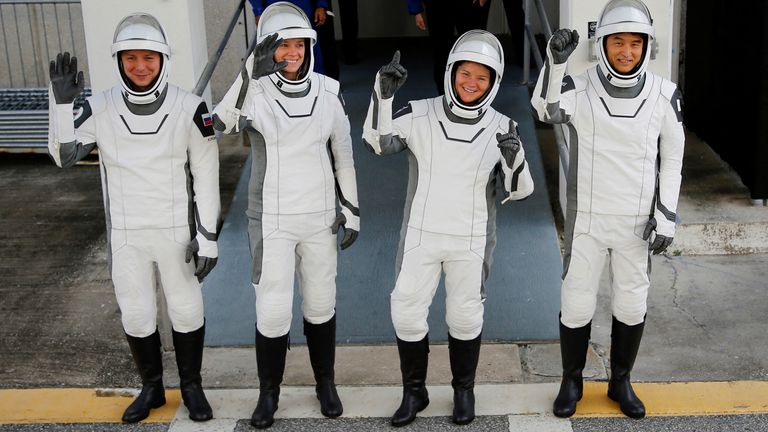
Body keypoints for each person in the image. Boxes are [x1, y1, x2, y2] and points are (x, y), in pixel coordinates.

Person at [47, 13, 220, 423]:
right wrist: (60, 105)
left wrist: (208, 236)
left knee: (186, 310)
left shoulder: (191, 108)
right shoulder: (99, 106)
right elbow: (62, 157)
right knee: (138, 313)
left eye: (148, 57)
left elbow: (207, 177)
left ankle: (192, 388)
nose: (140, 66)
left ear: (163, 59)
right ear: (119, 60)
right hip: (127, 235)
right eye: (130, 58)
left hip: (177, 231)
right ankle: (152, 388)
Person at [362, 30, 534, 426]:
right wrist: (382, 96)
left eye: (482, 77)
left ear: (493, 81)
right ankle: (414, 392)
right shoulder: (419, 112)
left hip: (471, 239)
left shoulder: (503, 125)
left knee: (465, 316)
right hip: (421, 235)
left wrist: (512, 159)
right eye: (464, 73)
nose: (471, 83)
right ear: (451, 71)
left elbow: (520, 190)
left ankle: (463, 391)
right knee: (405, 311)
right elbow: (377, 142)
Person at [530, 0, 685, 419]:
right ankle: (571, 380)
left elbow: (672, 157)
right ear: (603, 44)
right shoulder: (579, 87)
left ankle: (621, 381)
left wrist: (667, 214)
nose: (627, 51)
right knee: (577, 302)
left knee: (631, 304)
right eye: (618, 41)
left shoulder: (664, 94)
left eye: (636, 43)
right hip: (588, 222)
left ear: (647, 47)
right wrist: (554, 62)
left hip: (637, 224)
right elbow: (544, 110)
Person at [212, 2, 359, 429]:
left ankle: (325, 383)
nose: (291, 53)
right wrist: (246, 73)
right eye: (282, 47)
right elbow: (219, 123)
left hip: (319, 216)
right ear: (266, 50)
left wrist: (352, 210)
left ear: (310, 47)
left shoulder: (329, 92)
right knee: (273, 309)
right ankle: (268, 393)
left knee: (320, 302)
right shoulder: (254, 93)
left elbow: (343, 156)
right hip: (271, 219)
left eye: (299, 45)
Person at [407, 0, 492, 94]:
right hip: (437, 6)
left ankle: (474, 97)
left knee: (473, 50)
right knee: (441, 53)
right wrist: (416, 10)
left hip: (468, 4)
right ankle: (444, 97)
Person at [248, 0, 332, 77]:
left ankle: (316, 85)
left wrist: (321, 5)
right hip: (274, 11)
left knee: (309, 50)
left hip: (304, 9)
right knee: (277, 50)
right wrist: (258, 11)